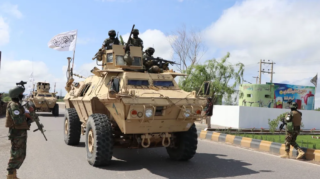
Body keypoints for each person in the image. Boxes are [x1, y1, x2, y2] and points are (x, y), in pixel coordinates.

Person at [5, 85, 34, 179]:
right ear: (16, 94)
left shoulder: (17, 104)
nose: (22, 95)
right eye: (21, 93)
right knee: (16, 154)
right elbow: (17, 120)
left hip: (20, 133)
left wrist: (28, 115)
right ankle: (10, 176)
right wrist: (27, 115)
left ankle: (13, 175)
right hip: (17, 133)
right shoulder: (14, 105)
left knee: (21, 154)